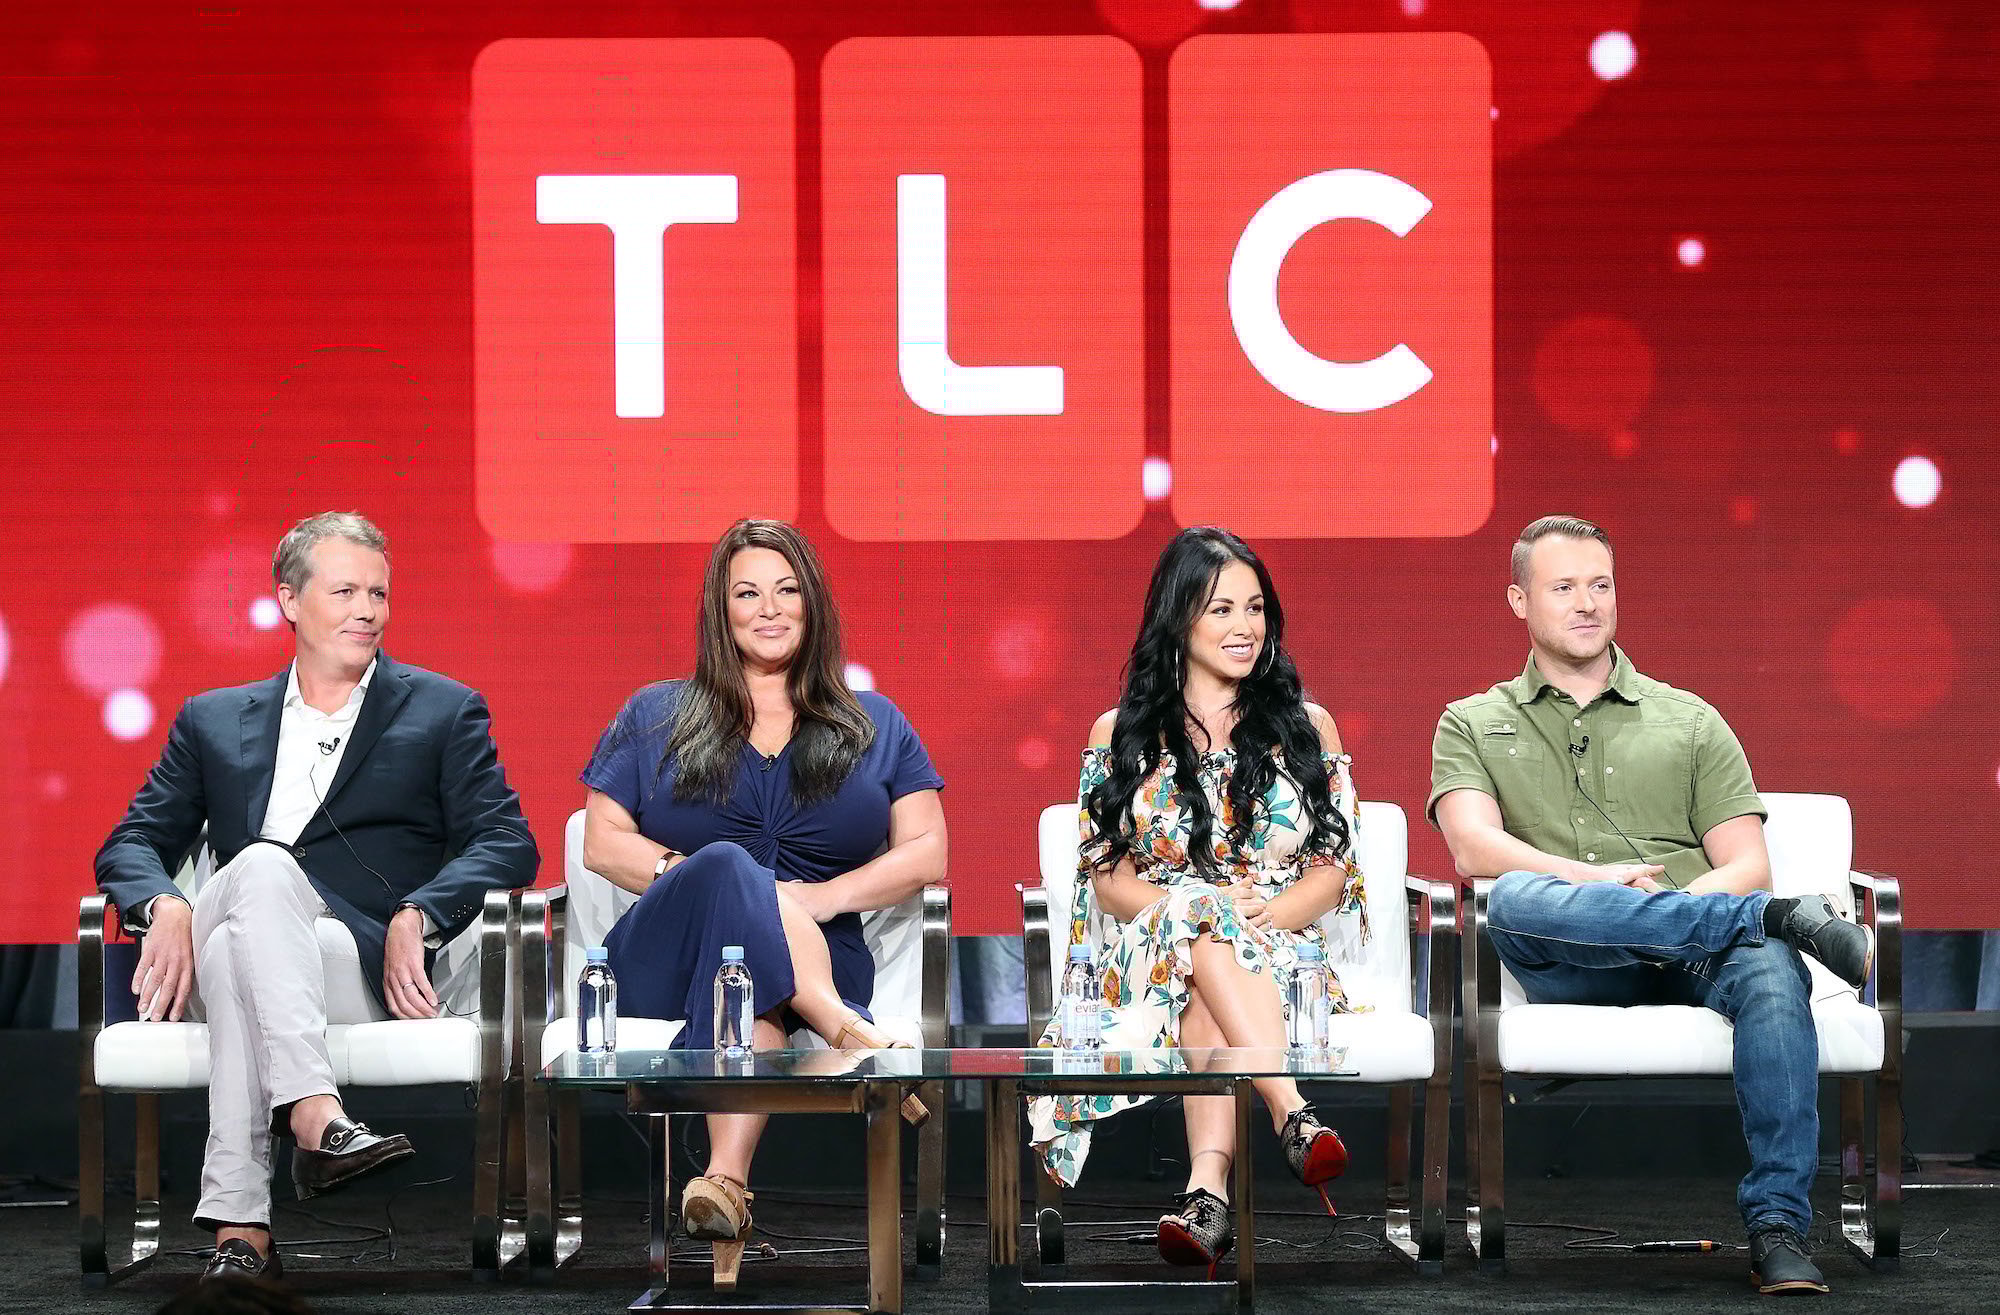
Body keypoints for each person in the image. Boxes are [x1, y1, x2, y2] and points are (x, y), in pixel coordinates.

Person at [1429, 515, 1873, 1297]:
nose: (1587, 603)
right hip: (1569, 952)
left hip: (1697, 952)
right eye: (1563, 587)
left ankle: (1778, 1227)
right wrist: (1594, 883)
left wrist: (1674, 907)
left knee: (1770, 972)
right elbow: (1473, 850)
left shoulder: (1691, 720)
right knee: (1516, 900)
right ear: (1518, 599)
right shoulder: (1471, 720)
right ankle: (1771, 919)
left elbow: (1747, 862)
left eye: (1600, 584)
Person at [96, 511, 539, 1284]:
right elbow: (130, 844)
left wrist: (421, 910)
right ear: (289, 600)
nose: (367, 609)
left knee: (237, 946)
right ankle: (315, 1117)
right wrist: (164, 904)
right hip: (237, 928)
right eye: (344, 591)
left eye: (379, 592)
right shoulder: (212, 719)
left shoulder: (441, 708)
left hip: (354, 962)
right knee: (262, 872)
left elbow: (508, 840)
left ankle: (243, 1231)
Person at [578, 518, 948, 1286]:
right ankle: (842, 1026)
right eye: (748, 592)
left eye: (787, 591)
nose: (769, 608)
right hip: (663, 955)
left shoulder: (874, 722)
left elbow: (927, 850)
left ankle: (725, 1185)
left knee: (754, 987)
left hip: (815, 951)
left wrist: (820, 896)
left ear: (813, 605)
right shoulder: (655, 712)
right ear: (722, 608)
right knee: (725, 867)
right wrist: (693, 875)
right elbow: (600, 839)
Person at [1028, 527, 1367, 1276]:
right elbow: (1108, 879)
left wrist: (1258, 916)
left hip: (1278, 951)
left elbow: (1334, 870)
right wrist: (1198, 903)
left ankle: (1205, 1192)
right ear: (1177, 617)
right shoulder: (1118, 733)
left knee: (1207, 955)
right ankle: (1291, 1111)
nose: (1245, 627)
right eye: (1222, 609)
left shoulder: (1308, 729)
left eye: (1255, 609)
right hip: (1146, 944)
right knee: (1193, 912)